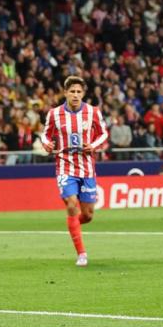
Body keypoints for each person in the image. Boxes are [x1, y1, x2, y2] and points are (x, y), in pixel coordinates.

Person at [41, 75, 108, 267]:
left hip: (87, 168)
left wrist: (92, 145)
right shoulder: (54, 114)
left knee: (87, 215)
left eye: (79, 92)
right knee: (71, 204)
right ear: (65, 93)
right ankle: (82, 254)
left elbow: (103, 133)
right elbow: (45, 135)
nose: (75, 95)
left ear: (83, 93)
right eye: (72, 91)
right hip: (65, 165)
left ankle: (73, 225)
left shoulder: (93, 112)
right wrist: (47, 145)